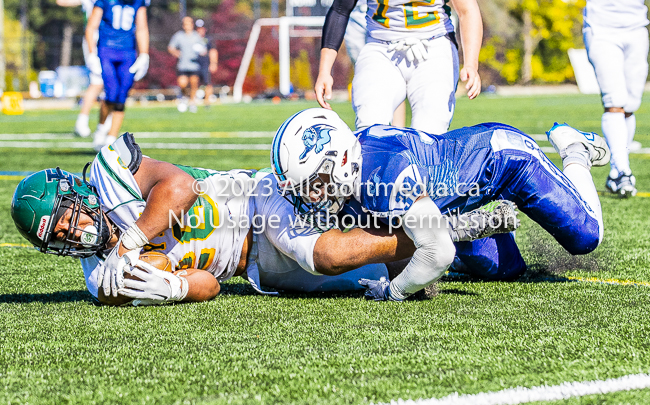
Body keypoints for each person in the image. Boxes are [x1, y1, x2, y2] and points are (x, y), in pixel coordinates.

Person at [10, 134, 513, 305]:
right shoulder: (102, 282)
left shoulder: (114, 175)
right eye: (59, 237)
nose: (74, 232)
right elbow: (208, 284)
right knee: (383, 275)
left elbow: (180, 185)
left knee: (328, 253)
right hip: (257, 268)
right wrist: (173, 289)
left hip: (254, 199)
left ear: (77, 192)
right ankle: (466, 239)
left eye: (67, 218)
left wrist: (134, 237)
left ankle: (445, 220)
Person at [271, 108, 610, 301]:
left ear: (343, 160)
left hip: (505, 162)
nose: (311, 196)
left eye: (316, 183)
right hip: (452, 201)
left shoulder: (383, 174)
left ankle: (575, 150)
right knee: (507, 270)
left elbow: (438, 253)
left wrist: (394, 292)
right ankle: (482, 222)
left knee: (586, 237)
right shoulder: (358, 170)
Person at [315, 0, 483, 134]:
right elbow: (340, 9)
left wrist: (471, 64)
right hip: (381, 47)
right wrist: (324, 70)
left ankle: (420, 175)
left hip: (434, 45)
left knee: (430, 131)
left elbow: (467, 10)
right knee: (370, 124)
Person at [583, 0, 649, 197]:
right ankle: (623, 171)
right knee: (615, 102)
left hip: (637, 27)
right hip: (601, 28)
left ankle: (615, 173)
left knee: (630, 104)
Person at [85, 0, 150, 151]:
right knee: (111, 91)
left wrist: (144, 54)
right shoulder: (104, 1)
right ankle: (101, 129)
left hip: (127, 52)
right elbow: (91, 27)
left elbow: (142, 28)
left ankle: (110, 138)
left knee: (122, 95)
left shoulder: (138, 3)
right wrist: (91, 53)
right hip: (106, 49)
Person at [343, 0, 406, 127]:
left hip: (386, 9)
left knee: (395, 72)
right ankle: (369, 129)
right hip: (355, 11)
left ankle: (398, 132)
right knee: (364, 74)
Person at [55, 0, 113, 139]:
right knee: (97, 82)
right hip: (95, 40)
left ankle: (103, 123)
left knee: (110, 84)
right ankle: (85, 122)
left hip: (112, 40)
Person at [168, 17, 205, 113]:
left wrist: (200, 50)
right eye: (185, 24)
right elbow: (171, 47)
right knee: (182, 84)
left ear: (192, 25)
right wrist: (176, 53)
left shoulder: (197, 36)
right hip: (183, 65)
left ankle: (192, 103)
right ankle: (184, 98)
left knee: (193, 84)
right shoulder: (179, 36)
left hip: (194, 65)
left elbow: (204, 50)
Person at [195, 19, 219, 108]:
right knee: (194, 82)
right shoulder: (192, 39)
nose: (200, 31)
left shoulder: (208, 39)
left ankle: (207, 102)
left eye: (201, 28)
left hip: (205, 64)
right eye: (198, 29)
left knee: (207, 83)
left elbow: (213, 51)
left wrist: (214, 63)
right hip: (194, 64)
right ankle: (193, 101)